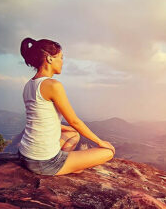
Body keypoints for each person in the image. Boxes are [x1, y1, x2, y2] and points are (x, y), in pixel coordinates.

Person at [18, 37, 115, 176]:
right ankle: (64, 167)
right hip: (42, 162)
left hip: (24, 154)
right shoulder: (53, 85)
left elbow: (37, 119)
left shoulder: (29, 85)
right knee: (108, 152)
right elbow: (74, 121)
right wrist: (100, 142)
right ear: (50, 59)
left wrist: (64, 127)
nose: (63, 62)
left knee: (73, 134)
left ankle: (67, 164)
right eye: (61, 58)